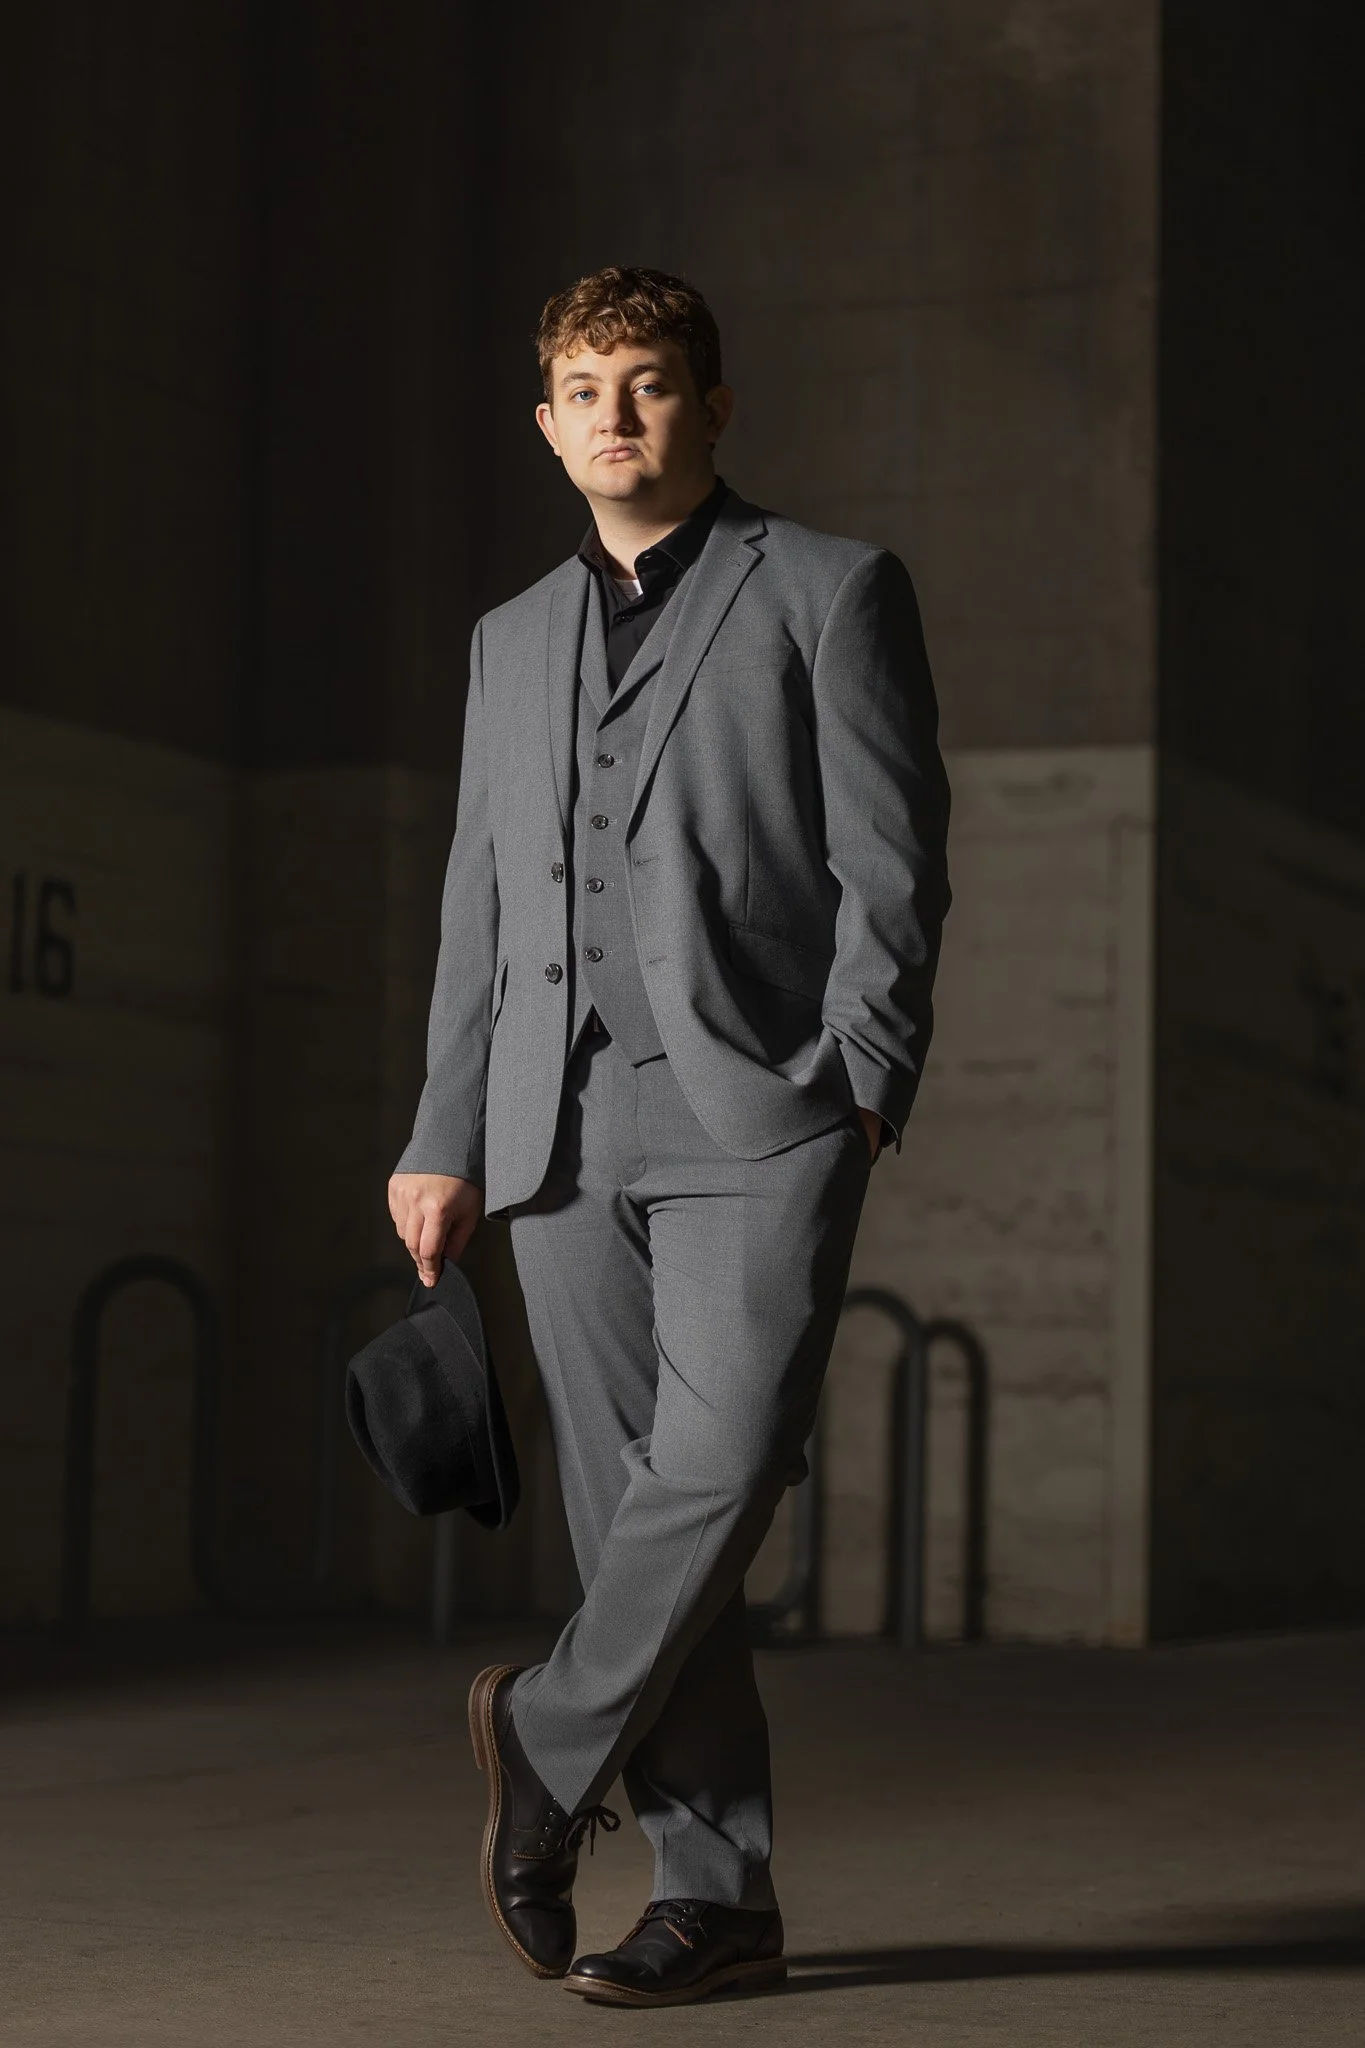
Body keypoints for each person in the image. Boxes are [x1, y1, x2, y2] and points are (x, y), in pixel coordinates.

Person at [387, 265, 951, 2008]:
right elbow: (476, 908)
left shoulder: (830, 591)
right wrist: (443, 1129)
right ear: (547, 423)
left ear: (711, 404)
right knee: (637, 1500)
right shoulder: (506, 640)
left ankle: (544, 1742)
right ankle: (719, 1898)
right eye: (582, 389)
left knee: (726, 1465)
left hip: (763, 1110)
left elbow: (895, 859)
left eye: (646, 383)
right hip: (552, 1126)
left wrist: (861, 1071)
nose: (614, 415)